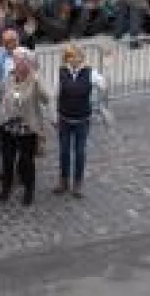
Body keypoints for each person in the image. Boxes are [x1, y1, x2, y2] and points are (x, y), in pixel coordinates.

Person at [0, 52, 48, 205]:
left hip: (27, 128)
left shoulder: (35, 80)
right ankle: (6, 187)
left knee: (26, 161)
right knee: (7, 160)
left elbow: (46, 98)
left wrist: (38, 82)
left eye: (23, 62)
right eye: (17, 62)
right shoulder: (8, 79)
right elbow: (1, 95)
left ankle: (29, 190)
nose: (19, 65)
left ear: (29, 65)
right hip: (8, 126)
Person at [55, 45, 106, 198]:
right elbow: (58, 92)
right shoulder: (62, 71)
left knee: (79, 152)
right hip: (64, 118)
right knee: (64, 152)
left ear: (81, 57)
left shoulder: (90, 73)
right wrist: (54, 112)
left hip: (82, 119)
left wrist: (97, 96)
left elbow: (103, 86)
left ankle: (78, 183)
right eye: (70, 56)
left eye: (76, 56)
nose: (73, 59)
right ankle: (63, 181)